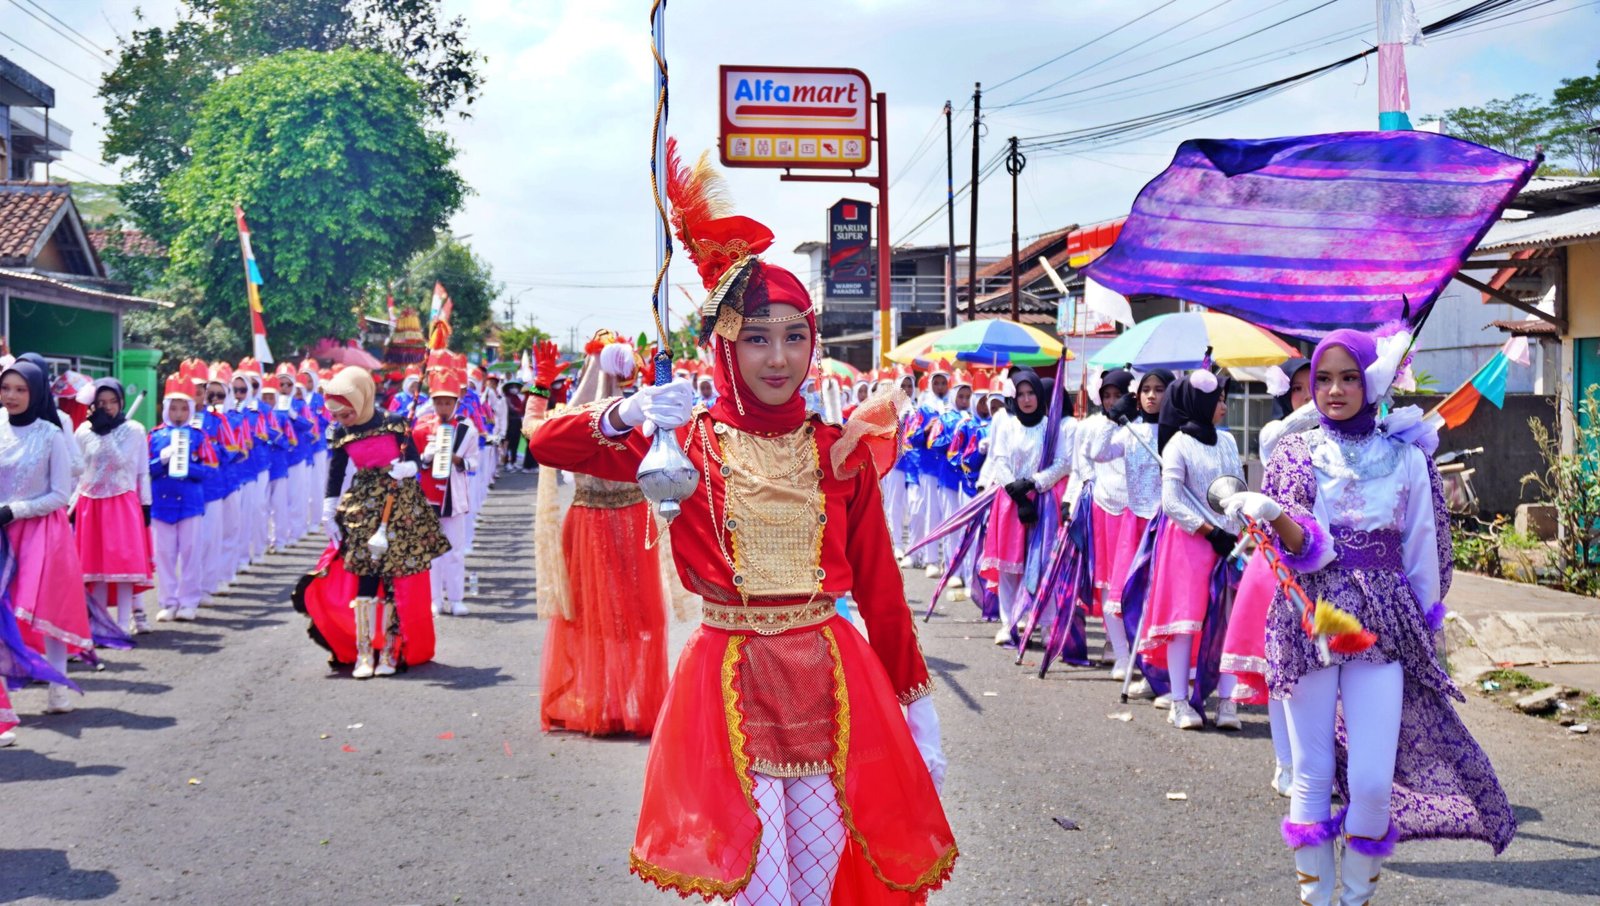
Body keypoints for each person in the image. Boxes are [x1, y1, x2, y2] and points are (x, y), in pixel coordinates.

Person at [526, 159, 954, 902]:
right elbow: (548, 443)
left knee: (820, 888)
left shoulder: (838, 448)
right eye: (757, 339)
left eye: (795, 337)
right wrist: (623, 413)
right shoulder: (682, 444)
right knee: (760, 889)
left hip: (832, 681)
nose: (780, 358)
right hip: (727, 686)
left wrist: (917, 708)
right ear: (725, 346)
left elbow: (882, 591)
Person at [1223, 329, 1514, 904]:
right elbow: (1303, 547)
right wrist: (1274, 513)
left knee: (1373, 783)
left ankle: (1354, 897)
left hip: (1385, 626)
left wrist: (1428, 629)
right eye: (1323, 378)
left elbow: (1424, 550)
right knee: (1309, 772)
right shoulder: (1293, 453)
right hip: (1312, 617)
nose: (1333, 389)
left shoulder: (1408, 459)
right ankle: (1316, 899)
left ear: (1372, 381)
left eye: (1349, 376)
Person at [527, 334, 671, 738]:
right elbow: (536, 435)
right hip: (611, 522)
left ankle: (608, 702)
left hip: (606, 521)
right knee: (609, 619)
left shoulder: (621, 416)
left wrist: (541, 385)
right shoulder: (609, 419)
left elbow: (532, 429)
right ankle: (617, 702)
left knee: (618, 619)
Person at [296, 367, 449, 678]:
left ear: (360, 399)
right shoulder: (339, 432)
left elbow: (416, 462)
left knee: (395, 579)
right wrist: (328, 511)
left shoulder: (395, 423)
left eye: (345, 412)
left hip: (399, 503)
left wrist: (404, 469)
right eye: (336, 414)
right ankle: (365, 651)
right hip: (363, 506)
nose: (341, 419)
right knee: (366, 574)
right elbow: (336, 473)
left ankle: (392, 651)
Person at [1220, 358, 1311, 796]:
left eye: (1328, 383)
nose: (1313, 394)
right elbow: (1288, 429)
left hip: (1329, 568)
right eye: (1302, 387)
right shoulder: (1276, 436)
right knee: (1280, 670)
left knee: (1326, 675)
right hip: (1278, 565)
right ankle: (1286, 763)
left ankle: (1320, 764)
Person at [1138, 371, 1244, 730]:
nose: (1223, 406)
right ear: (1197, 403)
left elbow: (1235, 486)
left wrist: (1238, 526)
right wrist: (1208, 530)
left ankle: (1227, 702)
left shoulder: (1227, 442)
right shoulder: (1177, 445)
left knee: (1230, 619)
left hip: (1228, 542)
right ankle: (1180, 701)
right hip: (1188, 541)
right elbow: (1170, 501)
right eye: (1217, 399)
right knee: (1184, 622)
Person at [1, 358, 90, 713]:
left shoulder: (51, 433)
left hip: (42, 531)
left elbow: (58, 493)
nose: (11, 396)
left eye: (21, 389)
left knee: (50, 610)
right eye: (5, 388)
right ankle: (4, 707)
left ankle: (58, 688)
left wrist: (14, 510)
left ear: (36, 393)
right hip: (0, 533)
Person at [978, 368, 1074, 646]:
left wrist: (1033, 483)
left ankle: (1044, 624)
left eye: (1031, 393)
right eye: (1020, 394)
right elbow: (999, 461)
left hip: (1043, 503)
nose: (1027, 399)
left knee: (1042, 564)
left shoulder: (1051, 426)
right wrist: (1017, 493)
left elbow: (1063, 463)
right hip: (1010, 503)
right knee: (1010, 568)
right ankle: (1009, 623)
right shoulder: (1008, 426)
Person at [72, 377, 153, 634]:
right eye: (101, 403)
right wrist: (70, 505)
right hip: (89, 503)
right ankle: (99, 623)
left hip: (121, 500)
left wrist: (146, 504)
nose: (107, 407)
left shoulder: (134, 430)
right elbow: (78, 471)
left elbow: (125, 464)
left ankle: (122, 624)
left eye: (113, 402)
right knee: (94, 569)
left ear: (121, 402)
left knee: (122, 566)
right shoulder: (82, 431)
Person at [148, 375, 218, 622]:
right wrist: (161, 461)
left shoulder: (199, 436)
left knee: (190, 552)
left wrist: (188, 467)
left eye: (184, 408)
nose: (179, 413)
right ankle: (168, 601)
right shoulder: (154, 436)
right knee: (164, 555)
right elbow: (144, 470)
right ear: (166, 408)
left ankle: (189, 601)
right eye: (174, 407)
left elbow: (211, 468)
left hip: (190, 503)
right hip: (161, 503)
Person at [412, 365, 478, 617]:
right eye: (438, 402)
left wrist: (458, 461)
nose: (443, 408)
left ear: (456, 403)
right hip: (428, 496)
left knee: (455, 551)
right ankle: (434, 599)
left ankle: (457, 598)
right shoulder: (421, 427)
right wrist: (426, 457)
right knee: (432, 552)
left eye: (447, 403)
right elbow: (413, 461)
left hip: (454, 498)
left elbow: (475, 462)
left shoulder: (467, 429)